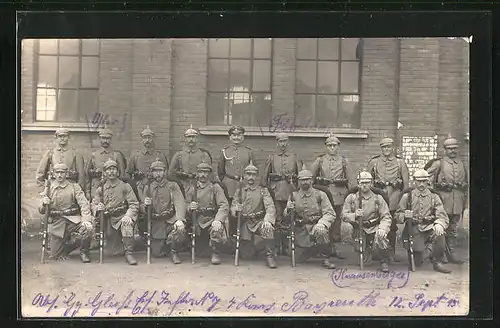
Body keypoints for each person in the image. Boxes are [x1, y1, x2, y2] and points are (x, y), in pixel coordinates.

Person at [395, 169, 452, 273]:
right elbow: (397, 215)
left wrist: (439, 223)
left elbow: (442, 215)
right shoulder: (407, 197)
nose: (421, 184)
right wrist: (404, 215)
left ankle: (437, 261)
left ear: (428, 181)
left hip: (430, 227)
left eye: (424, 181)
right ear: (414, 181)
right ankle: (427, 252)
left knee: (440, 233)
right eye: (418, 181)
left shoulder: (434, 197)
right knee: (418, 262)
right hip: (414, 229)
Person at [283, 165, 337, 269]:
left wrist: (322, 223)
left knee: (321, 232)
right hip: (301, 229)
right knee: (297, 258)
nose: (305, 182)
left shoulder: (320, 195)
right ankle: (312, 250)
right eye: (302, 180)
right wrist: (289, 210)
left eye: (307, 179)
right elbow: (287, 217)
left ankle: (325, 258)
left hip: (316, 226)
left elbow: (330, 213)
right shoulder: (293, 195)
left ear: (311, 180)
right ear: (298, 181)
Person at [311, 135, 355, 259]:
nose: (332, 148)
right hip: (324, 195)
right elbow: (311, 179)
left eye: (334, 145)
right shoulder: (320, 160)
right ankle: (322, 248)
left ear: (338, 147)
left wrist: (350, 197)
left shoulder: (344, 161)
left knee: (336, 223)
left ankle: (334, 249)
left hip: (339, 195)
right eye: (329, 145)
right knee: (323, 221)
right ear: (326, 147)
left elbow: (351, 181)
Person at [38, 163, 94, 263]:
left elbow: (84, 204)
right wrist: (44, 203)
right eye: (57, 173)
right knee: (54, 256)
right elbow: (41, 210)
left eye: (62, 173)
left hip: (72, 220)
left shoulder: (74, 186)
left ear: (66, 173)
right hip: (56, 222)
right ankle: (63, 247)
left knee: (86, 229)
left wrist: (86, 220)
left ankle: (84, 252)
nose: (60, 175)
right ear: (54, 174)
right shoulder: (49, 188)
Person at [425, 136, 468, 264]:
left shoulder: (461, 164)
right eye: (449, 149)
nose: (452, 151)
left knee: (453, 229)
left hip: (458, 201)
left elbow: (466, 183)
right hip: (443, 201)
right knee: (441, 227)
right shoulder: (439, 163)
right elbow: (426, 178)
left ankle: (452, 253)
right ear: (445, 150)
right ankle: (440, 253)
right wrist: (434, 193)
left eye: (454, 148)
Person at [366, 137, 409, 261]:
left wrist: (402, 201)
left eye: (389, 147)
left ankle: (391, 253)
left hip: (394, 198)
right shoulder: (374, 162)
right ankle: (374, 252)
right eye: (384, 147)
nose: (386, 149)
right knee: (374, 224)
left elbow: (405, 185)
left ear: (393, 148)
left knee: (392, 227)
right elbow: (368, 180)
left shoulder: (400, 163)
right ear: (381, 148)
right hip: (378, 198)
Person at [342, 171, 393, 272]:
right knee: (346, 228)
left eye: (367, 182)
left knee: (381, 238)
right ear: (358, 183)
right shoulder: (351, 198)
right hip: (358, 228)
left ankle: (384, 260)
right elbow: (343, 215)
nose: (364, 185)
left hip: (373, 227)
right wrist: (354, 215)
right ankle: (363, 251)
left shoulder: (378, 198)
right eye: (362, 183)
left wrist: (382, 228)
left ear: (371, 183)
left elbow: (386, 216)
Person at [92, 159, 140, 265]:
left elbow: (134, 204)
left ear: (118, 172)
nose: (111, 172)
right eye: (108, 170)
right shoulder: (101, 188)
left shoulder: (125, 186)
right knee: (113, 252)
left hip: (121, 217)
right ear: (104, 173)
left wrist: (128, 215)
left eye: (114, 169)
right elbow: (94, 204)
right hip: (108, 220)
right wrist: (97, 208)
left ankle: (129, 253)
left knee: (126, 224)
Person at [140, 159, 187, 264]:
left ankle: (174, 251)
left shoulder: (173, 185)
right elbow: (142, 208)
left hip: (171, 220)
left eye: (160, 170)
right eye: (155, 171)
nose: (158, 173)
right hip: (156, 222)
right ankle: (165, 246)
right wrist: (146, 205)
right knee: (158, 253)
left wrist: (179, 219)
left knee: (179, 230)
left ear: (165, 172)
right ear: (152, 173)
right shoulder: (148, 187)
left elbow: (180, 203)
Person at [262, 132, 303, 255]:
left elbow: (300, 175)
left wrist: (298, 190)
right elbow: (265, 177)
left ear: (288, 142)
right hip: (276, 191)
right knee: (277, 218)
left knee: (288, 218)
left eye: (285, 141)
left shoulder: (294, 156)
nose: (283, 144)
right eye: (280, 141)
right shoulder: (272, 157)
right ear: (277, 143)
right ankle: (275, 246)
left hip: (290, 190)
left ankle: (286, 246)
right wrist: (267, 190)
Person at [230, 162, 277, 269]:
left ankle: (269, 255)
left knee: (268, 229)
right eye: (248, 174)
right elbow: (233, 207)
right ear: (245, 176)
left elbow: (270, 207)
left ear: (257, 176)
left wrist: (268, 220)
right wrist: (236, 210)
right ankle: (258, 248)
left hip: (259, 221)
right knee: (247, 256)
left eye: (253, 175)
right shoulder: (240, 191)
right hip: (245, 223)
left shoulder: (263, 191)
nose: (251, 177)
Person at [185, 161, 229, 265]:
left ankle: (215, 252)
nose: (203, 175)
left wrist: (218, 220)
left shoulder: (215, 187)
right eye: (200, 172)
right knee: (200, 252)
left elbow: (224, 205)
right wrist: (189, 207)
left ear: (209, 174)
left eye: (205, 172)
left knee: (217, 228)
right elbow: (185, 203)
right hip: (198, 219)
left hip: (211, 219)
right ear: (197, 173)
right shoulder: (192, 188)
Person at [126, 126, 169, 197]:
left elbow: (166, 173)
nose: (147, 140)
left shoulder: (160, 155)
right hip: (140, 188)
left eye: (149, 137)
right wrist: (134, 182)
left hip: (157, 188)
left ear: (153, 139)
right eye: (145, 138)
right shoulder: (136, 156)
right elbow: (128, 173)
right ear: (142, 140)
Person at [85, 128, 127, 201]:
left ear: (111, 139)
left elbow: (122, 176)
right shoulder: (93, 155)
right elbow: (87, 176)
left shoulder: (117, 155)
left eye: (108, 138)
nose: (105, 141)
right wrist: (87, 192)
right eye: (103, 138)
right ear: (100, 139)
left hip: (113, 189)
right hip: (96, 188)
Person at [168, 125, 212, 193]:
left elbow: (210, 174)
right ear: (185, 139)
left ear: (197, 139)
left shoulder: (204, 155)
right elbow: (170, 174)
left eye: (193, 137)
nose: (191, 139)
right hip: (182, 187)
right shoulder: (179, 155)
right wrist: (180, 178)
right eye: (188, 137)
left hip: (200, 188)